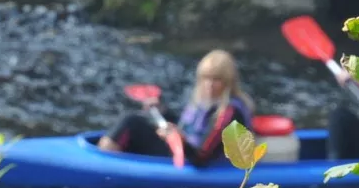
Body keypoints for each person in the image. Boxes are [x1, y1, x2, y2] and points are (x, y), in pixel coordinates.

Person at [98, 50, 255, 167]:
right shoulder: (209, 102)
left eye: (216, 80)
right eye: (205, 78)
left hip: (193, 160)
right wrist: (164, 112)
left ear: (228, 82)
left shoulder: (228, 112)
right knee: (134, 120)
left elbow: (202, 156)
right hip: (185, 151)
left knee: (131, 123)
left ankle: (103, 166)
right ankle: (104, 158)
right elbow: (188, 125)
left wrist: (178, 137)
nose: (209, 85)